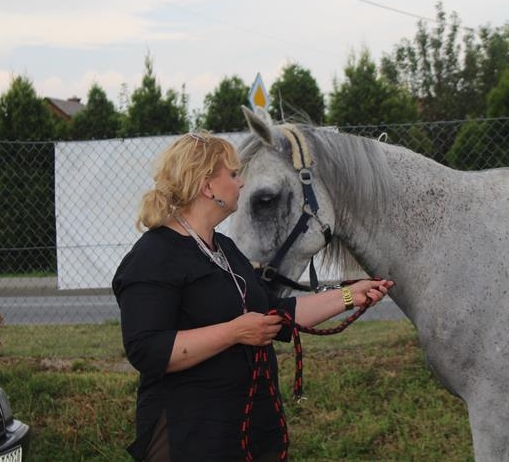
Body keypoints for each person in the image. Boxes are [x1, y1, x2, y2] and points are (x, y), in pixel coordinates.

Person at [113, 132, 394, 461]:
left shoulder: (225, 249)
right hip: (190, 435)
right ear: (207, 187)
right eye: (233, 174)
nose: (241, 182)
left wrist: (349, 295)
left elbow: (275, 313)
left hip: (248, 427)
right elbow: (148, 349)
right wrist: (234, 332)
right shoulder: (153, 256)